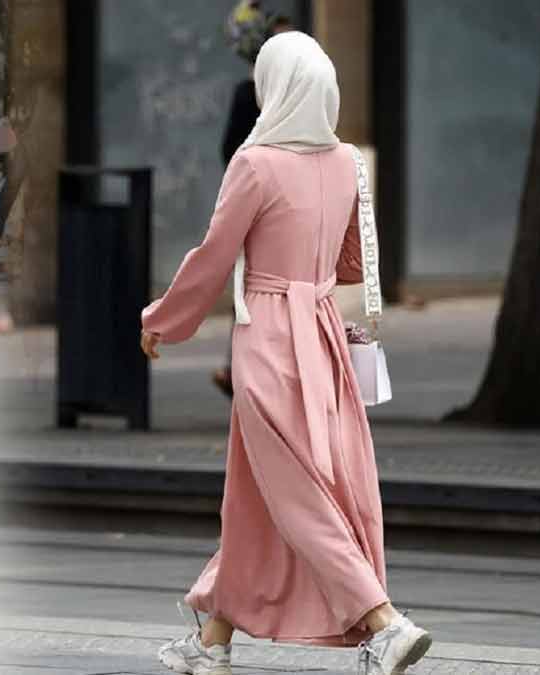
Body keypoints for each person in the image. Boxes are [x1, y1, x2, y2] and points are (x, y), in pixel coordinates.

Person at [142, 33, 431, 675]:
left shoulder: (255, 163)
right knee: (257, 493)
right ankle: (213, 637)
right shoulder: (346, 160)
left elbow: (215, 256)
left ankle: (384, 622)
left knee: (297, 489)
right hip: (322, 332)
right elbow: (352, 262)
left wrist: (161, 319)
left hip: (270, 338)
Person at [213, 8, 296, 398]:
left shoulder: (287, 95)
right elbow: (230, 151)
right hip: (265, 209)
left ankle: (265, 368)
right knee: (253, 291)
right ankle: (246, 368)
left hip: (286, 206)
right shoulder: (255, 95)